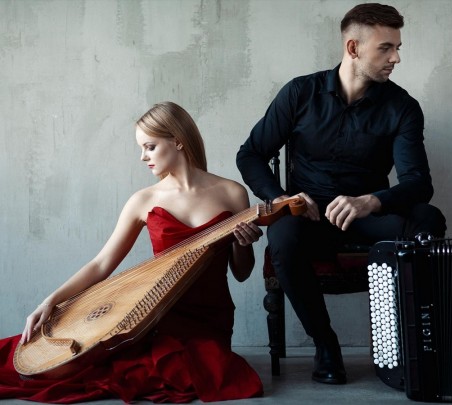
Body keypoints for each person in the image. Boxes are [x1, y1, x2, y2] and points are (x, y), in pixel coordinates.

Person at [236, 3, 446, 385]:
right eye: (386, 48)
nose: (396, 58)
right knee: (282, 234)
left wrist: (371, 201)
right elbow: (250, 154)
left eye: (397, 47)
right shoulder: (300, 93)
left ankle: (407, 345)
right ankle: (326, 345)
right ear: (353, 48)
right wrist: (282, 198)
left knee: (428, 219)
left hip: (368, 220)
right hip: (308, 218)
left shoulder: (403, 108)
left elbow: (419, 182)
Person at [0, 101, 264, 403]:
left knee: (210, 373)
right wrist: (50, 301)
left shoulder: (232, 192)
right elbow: (101, 264)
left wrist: (243, 245)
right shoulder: (143, 200)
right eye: (142, 148)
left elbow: (242, 272)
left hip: (211, 318)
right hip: (155, 316)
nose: (143, 157)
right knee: (82, 368)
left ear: (178, 141)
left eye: (150, 147)